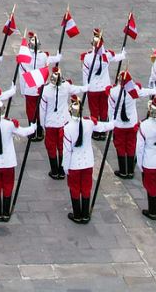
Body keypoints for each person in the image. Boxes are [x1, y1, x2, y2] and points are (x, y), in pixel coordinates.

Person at [57, 94, 114, 224]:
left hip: (74, 165)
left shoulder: (67, 128)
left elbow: (66, 152)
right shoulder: (89, 123)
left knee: (75, 189)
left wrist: (65, 168)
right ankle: (85, 214)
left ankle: (78, 215)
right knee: (86, 188)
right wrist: (114, 123)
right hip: (88, 163)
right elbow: (103, 127)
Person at [0, 98, 37, 221]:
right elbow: (24, 132)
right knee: (8, 186)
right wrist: (33, 126)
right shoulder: (10, 124)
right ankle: (6, 213)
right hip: (8, 162)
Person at [36, 60, 86, 178]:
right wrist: (86, 87)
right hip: (64, 122)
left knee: (51, 147)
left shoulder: (45, 90)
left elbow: (42, 110)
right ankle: (62, 170)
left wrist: (42, 125)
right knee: (62, 146)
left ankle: (54, 170)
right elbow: (77, 89)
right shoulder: (66, 86)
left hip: (50, 123)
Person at [78, 29, 123, 121]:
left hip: (92, 88)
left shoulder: (87, 57)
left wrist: (85, 87)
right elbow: (117, 58)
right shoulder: (107, 55)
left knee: (94, 110)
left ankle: (96, 130)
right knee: (104, 109)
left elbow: (85, 74)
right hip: (104, 87)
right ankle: (103, 130)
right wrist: (123, 53)